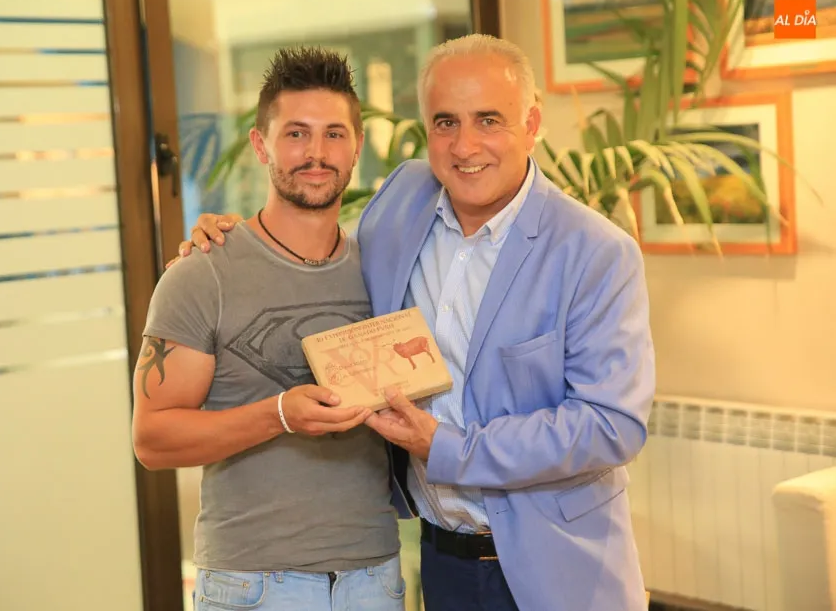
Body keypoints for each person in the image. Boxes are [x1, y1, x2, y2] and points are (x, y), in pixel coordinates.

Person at [179, 35, 655, 611]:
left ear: (531, 124)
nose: (465, 145)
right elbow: (326, 255)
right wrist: (238, 239)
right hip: (440, 561)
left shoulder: (595, 250)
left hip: (558, 568)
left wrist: (447, 447)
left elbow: (612, 425)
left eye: (489, 120)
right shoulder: (405, 196)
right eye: (445, 122)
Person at [132, 46, 406, 611]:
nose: (317, 153)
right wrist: (279, 415)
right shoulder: (203, 273)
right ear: (261, 145)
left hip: (374, 578)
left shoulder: (384, 269)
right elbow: (152, 440)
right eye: (296, 134)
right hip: (252, 585)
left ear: (357, 146)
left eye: (334, 134)